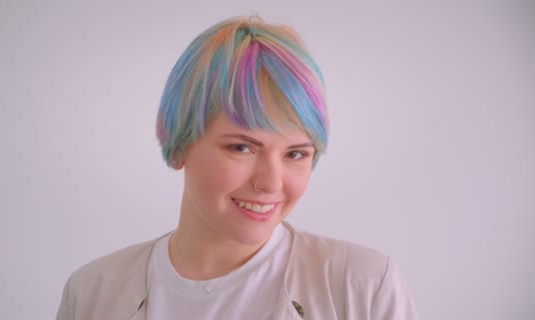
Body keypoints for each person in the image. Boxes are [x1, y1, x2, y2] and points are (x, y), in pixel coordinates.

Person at [56, 16, 419, 320]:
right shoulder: (92, 294)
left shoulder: (364, 288)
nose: (271, 182)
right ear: (180, 142)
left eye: (295, 154)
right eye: (242, 147)